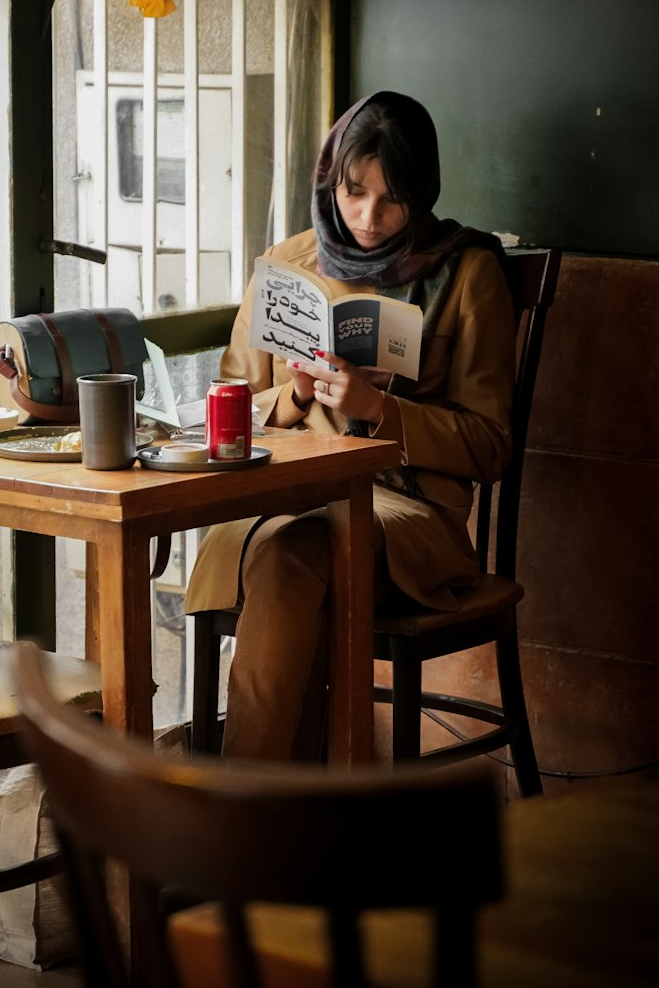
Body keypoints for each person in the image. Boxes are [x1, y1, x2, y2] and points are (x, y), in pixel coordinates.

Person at [184, 91, 516, 762]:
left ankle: (239, 824)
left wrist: (381, 410)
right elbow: (227, 408)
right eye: (354, 192)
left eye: (392, 199)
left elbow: (489, 444)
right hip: (289, 496)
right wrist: (289, 395)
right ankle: (289, 830)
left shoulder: (469, 273)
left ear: (422, 194)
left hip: (414, 517)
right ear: (331, 180)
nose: (368, 218)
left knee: (290, 557)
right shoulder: (286, 265)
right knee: (291, 551)